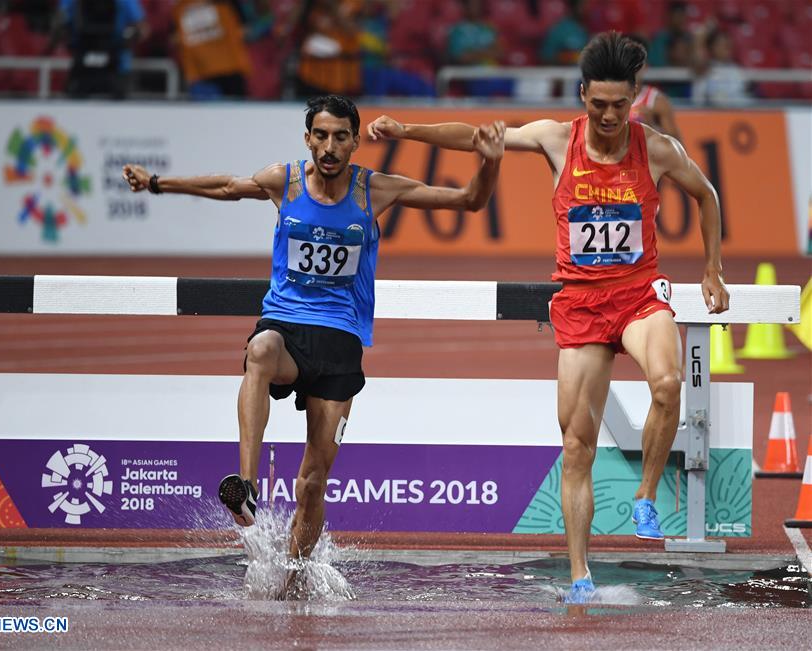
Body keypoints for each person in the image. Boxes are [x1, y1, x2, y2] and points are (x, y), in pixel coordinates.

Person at [367, 32, 729, 603]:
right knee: (577, 444)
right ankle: (581, 575)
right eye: (597, 104)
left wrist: (712, 269)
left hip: (638, 293)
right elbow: (478, 136)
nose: (608, 116)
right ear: (582, 94)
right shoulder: (557, 139)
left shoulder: (655, 147)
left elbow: (705, 194)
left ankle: (645, 496)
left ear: (634, 97)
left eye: (619, 105)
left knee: (667, 380)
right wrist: (407, 130)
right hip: (581, 302)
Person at [122, 95, 504, 596]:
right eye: (320, 136)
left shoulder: (374, 191)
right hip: (286, 327)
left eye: (340, 137)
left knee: (312, 484)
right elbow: (226, 186)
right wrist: (157, 183)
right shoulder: (286, 180)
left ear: (353, 140)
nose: (329, 146)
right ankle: (247, 488)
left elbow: (468, 202)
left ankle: (292, 582)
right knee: (259, 352)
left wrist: (491, 161)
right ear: (308, 139)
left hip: (341, 342)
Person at [48, 0, 147, 99]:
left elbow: (142, 28)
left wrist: (130, 37)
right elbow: (58, 25)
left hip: (117, 67)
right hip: (82, 65)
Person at [172, 0, 251, 100]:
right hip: (223, 68)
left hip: (207, 71)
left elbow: (174, 38)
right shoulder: (180, 8)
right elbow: (244, 31)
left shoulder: (180, 7)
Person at [628, 35, 682, 141]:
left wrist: (652, 127)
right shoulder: (610, 98)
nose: (633, 67)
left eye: (638, 63)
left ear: (646, 66)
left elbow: (677, 147)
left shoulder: (657, 101)